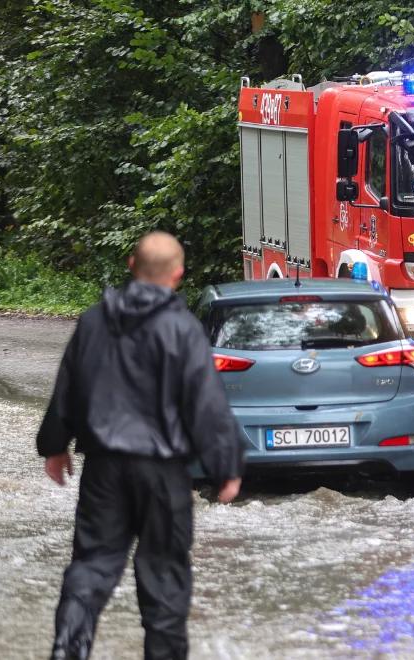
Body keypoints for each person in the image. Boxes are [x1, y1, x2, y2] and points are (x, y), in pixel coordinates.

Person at [37, 231, 245, 660]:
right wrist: (225, 464)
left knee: (92, 564)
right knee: (164, 575)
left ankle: (67, 648)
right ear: (178, 275)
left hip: (104, 469)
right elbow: (205, 403)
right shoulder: (183, 329)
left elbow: (69, 389)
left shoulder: (94, 320)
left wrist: (54, 446)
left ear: (132, 265)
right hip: (164, 473)